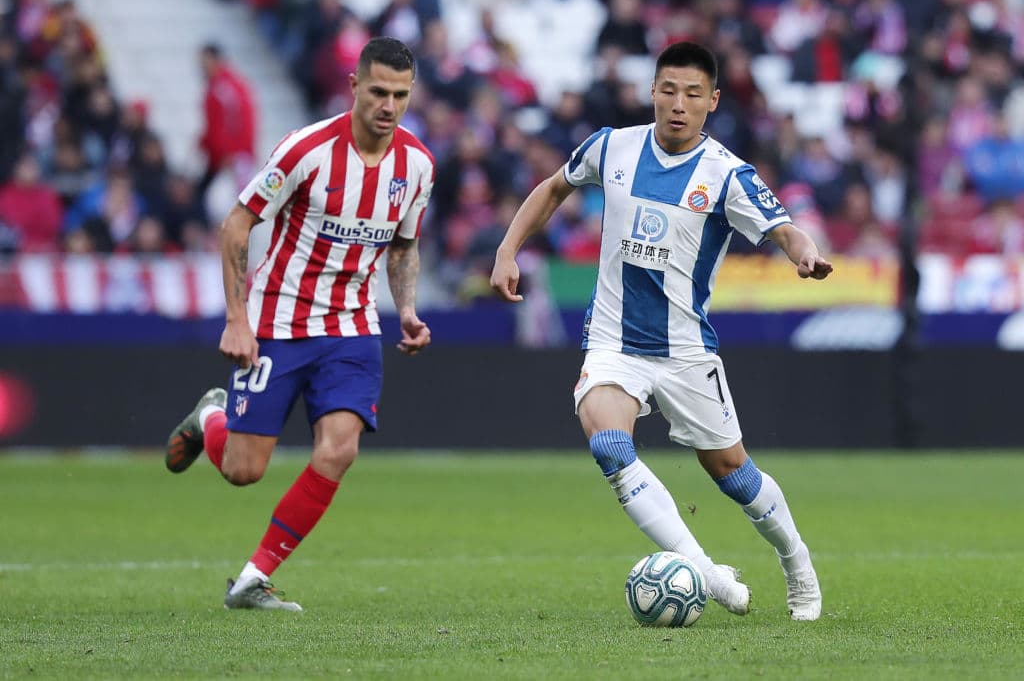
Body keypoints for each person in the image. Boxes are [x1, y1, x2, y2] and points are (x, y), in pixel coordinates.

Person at [490, 41, 832, 621]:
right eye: (668, 90)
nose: (678, 104)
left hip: (685, 351)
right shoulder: (611, 147)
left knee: (733, 474)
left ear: (712, 102)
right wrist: (506, 250)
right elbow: (552, 189)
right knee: (608, 443)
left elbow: (785, 230)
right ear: (651, 91)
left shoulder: (727, 175)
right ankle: (704, 571)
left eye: (693, 94)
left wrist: (806, 253)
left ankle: (797, 562)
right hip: (613, 342)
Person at [165, 37, 434, 611]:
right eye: (379, 92)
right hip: (278, 322)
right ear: (355, 87)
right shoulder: (304, 150)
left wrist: (406, 309)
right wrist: (237, 321)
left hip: (352, 327)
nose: (389, 106)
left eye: (401, 95)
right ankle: (211, 415)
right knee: (243, 470)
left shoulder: (416, 166)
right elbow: (235, 227)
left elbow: (404, 247)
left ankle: (252, 578)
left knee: (338, 449)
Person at [196, 43, 258, 201]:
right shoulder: (218, 86)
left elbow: (237, 122)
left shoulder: (225, 88)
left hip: (233, 157)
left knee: (232, 205)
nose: (201, 66)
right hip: (225, 155)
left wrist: (230, 152)